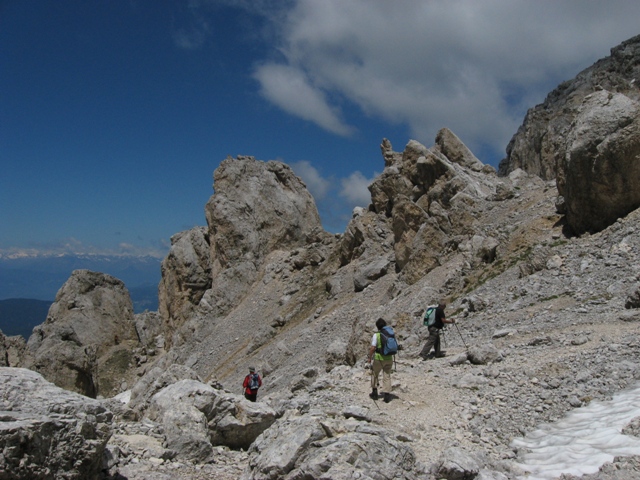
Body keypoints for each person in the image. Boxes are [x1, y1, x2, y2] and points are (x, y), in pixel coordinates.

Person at [367, 318, 394, 403]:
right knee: (387, 376)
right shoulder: (390, 334)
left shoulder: (377, 335)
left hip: (379, 358)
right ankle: (387, 395)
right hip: (389, 358)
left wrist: (370, 357)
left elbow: (373, 348)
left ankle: (374, 393)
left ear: (377, 326)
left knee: (374, 374)